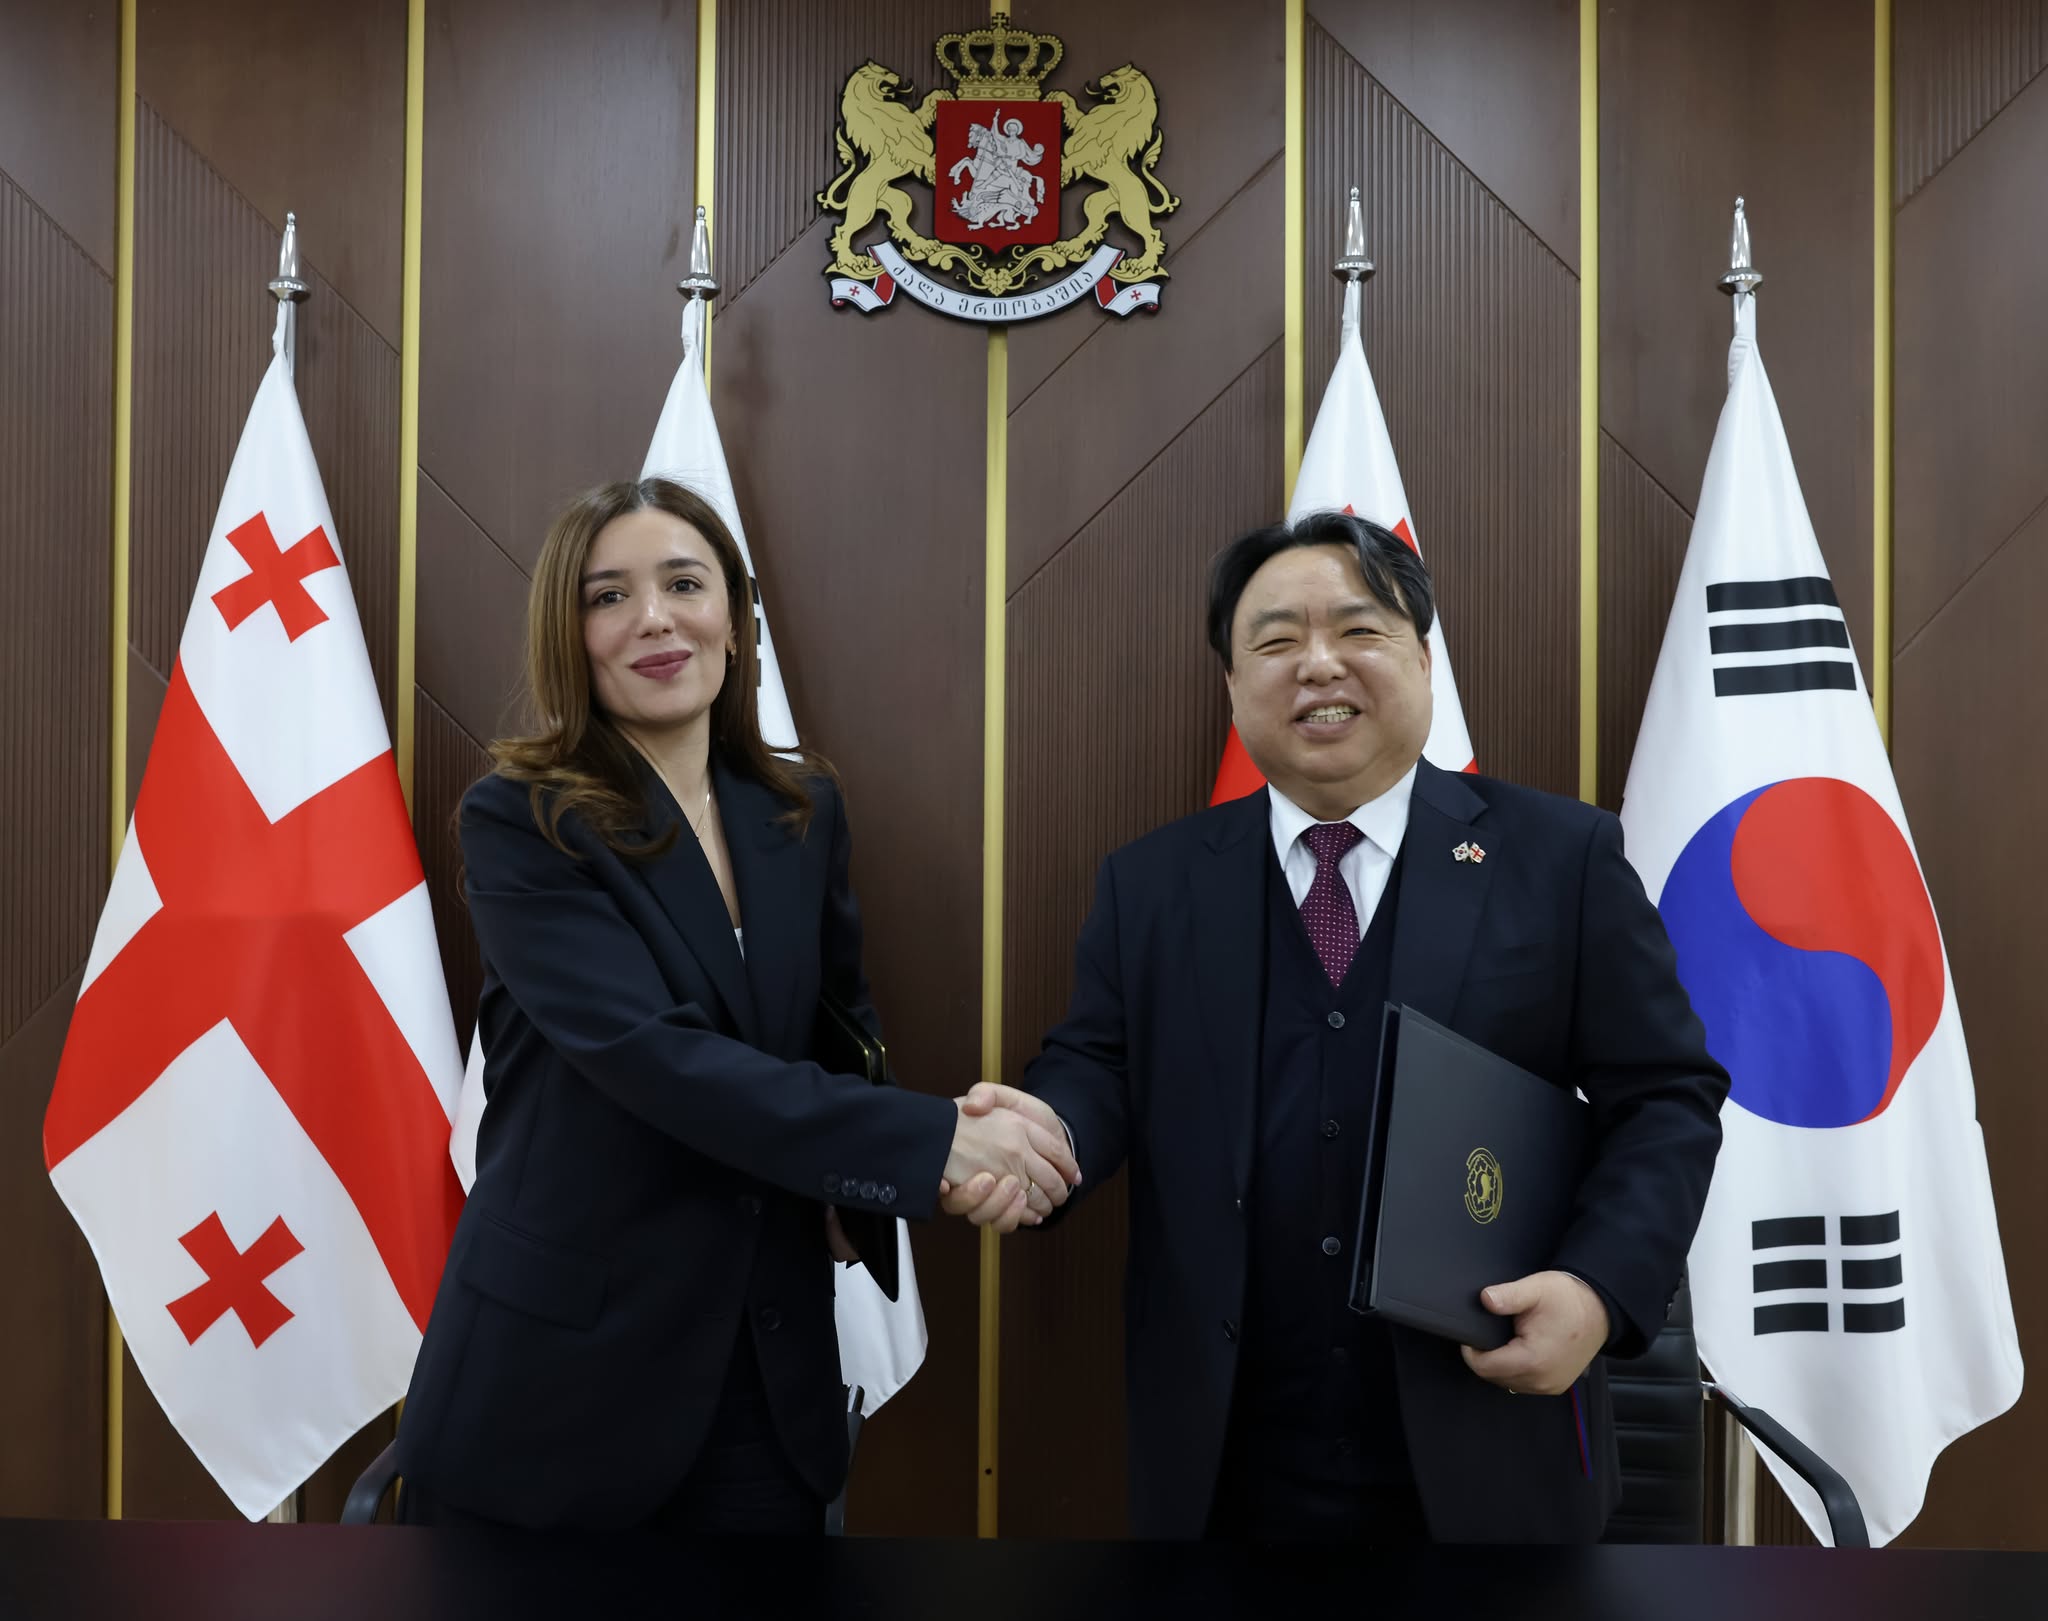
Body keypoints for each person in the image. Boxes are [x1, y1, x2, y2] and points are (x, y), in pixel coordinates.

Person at [948, 510, 1728, 1543]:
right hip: (1228, 1458)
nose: (1318, 664)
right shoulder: (1154, 883)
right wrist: (1038, 1139)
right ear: (1233, 687)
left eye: (1358, 630)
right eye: (1275, 641)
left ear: (1423, 661)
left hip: (1488, 1429)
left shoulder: (1558, 857)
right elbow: (1098, 1067)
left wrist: (1595, 1290)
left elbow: (1666, 1098)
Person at [395, 476, 1077, 1532]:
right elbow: (655, 1059)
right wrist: (932, 1141)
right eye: (608, 596)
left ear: (735, 613)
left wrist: (891, 1185)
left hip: (766, 1370)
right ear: (569, 636)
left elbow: (839, 1034)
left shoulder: (799, 809)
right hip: (560, 1385)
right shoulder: (523, 819)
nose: (654, 618)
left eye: (685, 584)